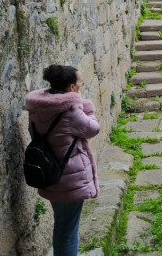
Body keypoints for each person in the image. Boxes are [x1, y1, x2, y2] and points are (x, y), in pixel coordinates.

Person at [24, 65, 100, 256]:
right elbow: (93, 129)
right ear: (71, 87)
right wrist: (87, 108)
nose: (82, 85)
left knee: (62, 224)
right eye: (80, 82)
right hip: (69, 179)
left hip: (50, 173)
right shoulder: (70, 111)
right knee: (68, 230)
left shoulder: (38, 107)